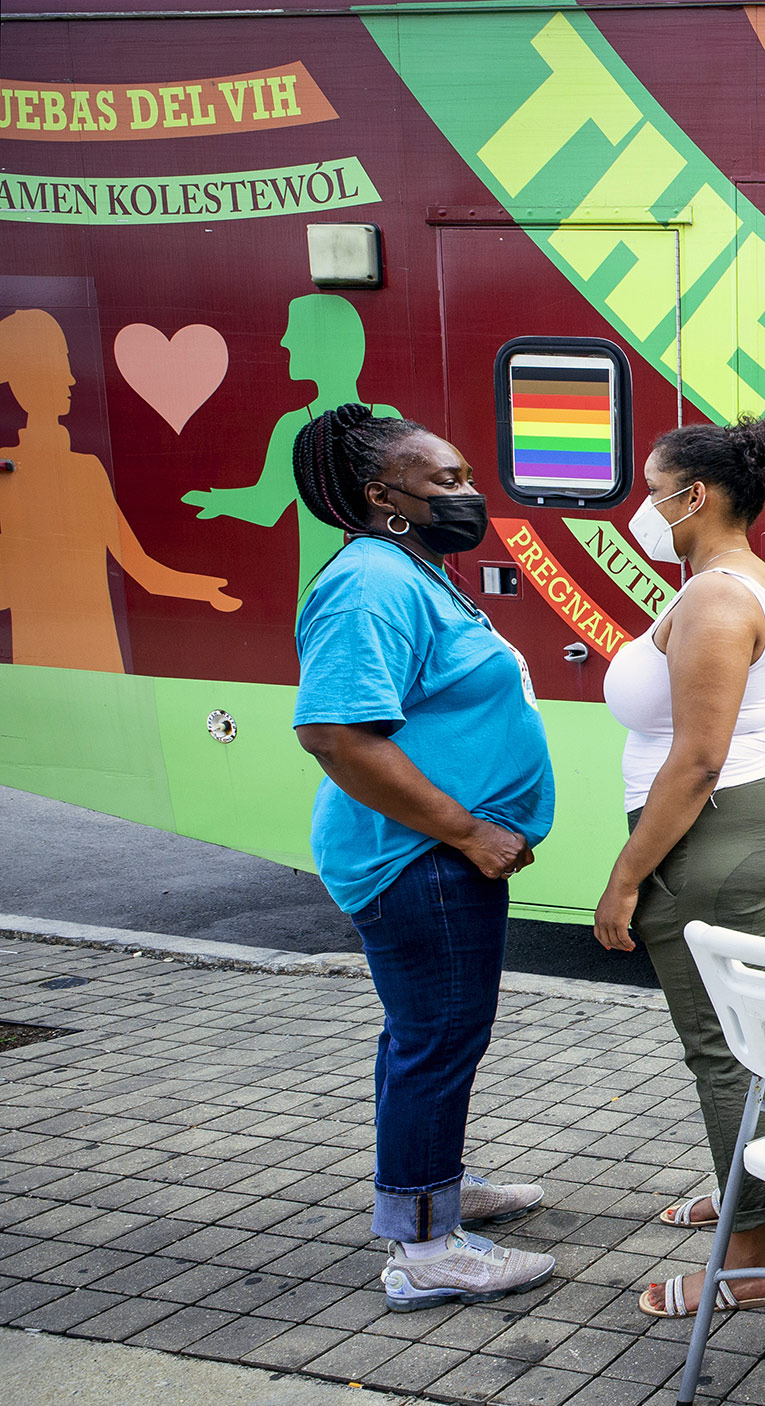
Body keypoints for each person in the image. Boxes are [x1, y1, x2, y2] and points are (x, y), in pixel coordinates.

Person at [289, 404, 558, 1311]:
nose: (468, 493)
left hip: (431, 856)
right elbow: (334, 733)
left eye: (465, 476)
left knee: (428, 1038)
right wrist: (471, 831)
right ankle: (425, 1250)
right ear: (382, 496)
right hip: (419, 861)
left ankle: (431, 1190)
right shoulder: (370, 582)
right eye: (445, 481)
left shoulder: (412, 569)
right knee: (437, 1041)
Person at [591, 418, 765, 1319]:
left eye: (653, 489)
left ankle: (751, 1257)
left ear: (699, 497)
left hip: (713, 834)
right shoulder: (757, 583)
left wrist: (624, 878)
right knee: (746, 1034)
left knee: (724, 1049)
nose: (643, 507)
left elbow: (696, 760)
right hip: (756, 814)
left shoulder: (719, 601)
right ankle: (743, 1192)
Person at [0, 306, 239, 671]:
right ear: (24, 376)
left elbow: (140, 567)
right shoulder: (9, 469)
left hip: (99, 656)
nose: (71, 379)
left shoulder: (87, 469)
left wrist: (204, 589)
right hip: (41, 657)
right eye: (58, 363)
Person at [186, 293, 401, 600]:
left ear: (327, 347)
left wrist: (219, 502)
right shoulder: (386, 416)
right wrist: (217, 501)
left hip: (324, 581)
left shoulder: (296, 424)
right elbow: (270, 507)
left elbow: (266, 506)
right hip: (385, 575)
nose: (285, 343)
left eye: (295, 335)